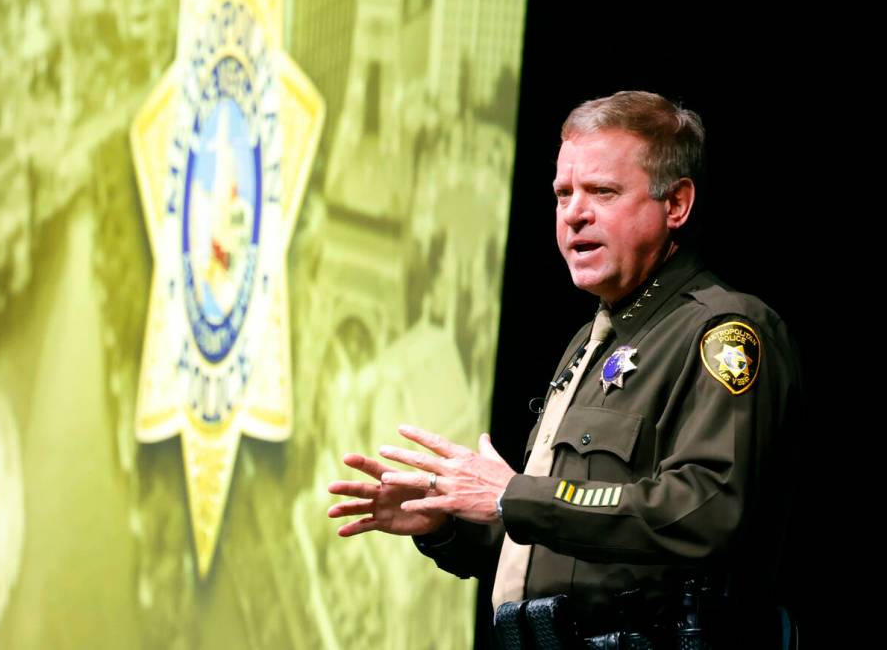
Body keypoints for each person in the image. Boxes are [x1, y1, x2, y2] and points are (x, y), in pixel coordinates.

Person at [327, 91, 800, 649]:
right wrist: (448, 523)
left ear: (676, 205)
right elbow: (558, 544)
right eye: (563, 193)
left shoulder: (724, 329)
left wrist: (515, 497)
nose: (575, 212)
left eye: (602, 191)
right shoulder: (590, 341)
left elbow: (703, 510)